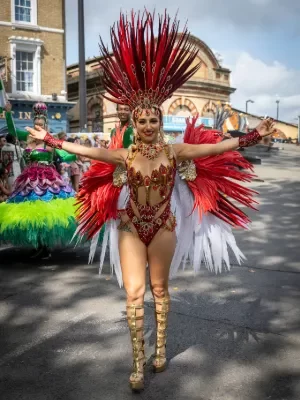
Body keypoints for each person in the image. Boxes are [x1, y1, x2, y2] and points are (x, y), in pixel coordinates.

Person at [26, 10, 276, 391]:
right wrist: (50, 140)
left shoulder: (176, 152)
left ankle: (160, 348)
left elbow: (218, 147)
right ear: (133, 124)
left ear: (160, 122)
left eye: (152, 120)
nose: (146, 126)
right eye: (140, 121)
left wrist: (250, 137)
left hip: (163, 227)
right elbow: (84, 152)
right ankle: (138, 363)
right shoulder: (124, 156)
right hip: (130, 226)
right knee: (133, 294)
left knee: (159, 290)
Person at [0, 102, 77, 258]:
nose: (38, 126)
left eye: (41, 124)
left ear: (45, 123)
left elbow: (64, 156)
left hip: (47, 179)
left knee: (46, 210)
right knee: (33, 212)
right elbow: (13, 130)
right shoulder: (28, 136)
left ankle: (46, 246)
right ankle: (39, 245)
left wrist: (80, 153)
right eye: (36, 123)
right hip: (29, 179)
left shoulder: (50, 139)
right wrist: (8, 113)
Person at [0, 106, 24, 189]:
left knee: (9, 186)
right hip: (15, 167)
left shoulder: (3, 148)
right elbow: (22, 156)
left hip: (6, 170)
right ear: (13, 139)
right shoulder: (16, 148)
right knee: (16, 186)